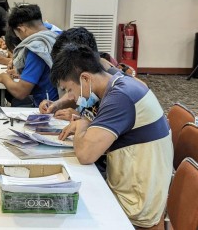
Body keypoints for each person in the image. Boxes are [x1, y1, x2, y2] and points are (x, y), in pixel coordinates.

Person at [51, 43, 173, 228]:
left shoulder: (120, 97)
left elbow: (86, 154)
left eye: (69, 89)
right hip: (134, 186)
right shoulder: (118, 83)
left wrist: (82, 122)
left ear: (85, 78)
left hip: (135, 203)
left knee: (59, 209)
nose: (72, 98)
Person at [0, 4, 60, 107]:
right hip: (59, 101)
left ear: (22, 29)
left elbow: (21, 92)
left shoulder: (36, 49)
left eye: (17, 34)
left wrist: (4, 78)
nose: (20, 39)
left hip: (48, 107)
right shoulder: (54, 37)